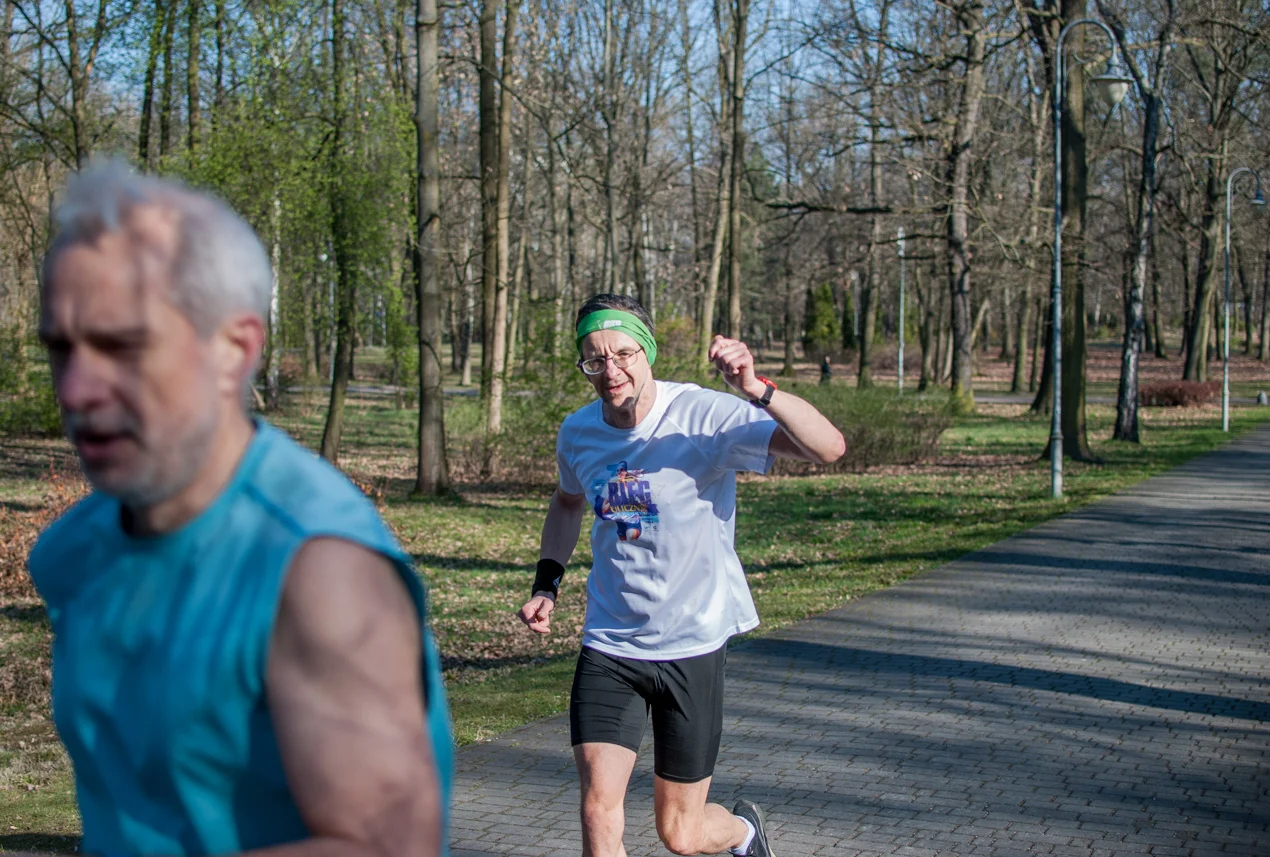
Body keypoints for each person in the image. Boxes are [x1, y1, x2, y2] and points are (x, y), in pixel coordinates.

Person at [23, 162, 453, 857]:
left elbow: (388, 846)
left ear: (235, 349)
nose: (76, 388)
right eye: (60, 348)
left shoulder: (319, 574)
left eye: (122, 345)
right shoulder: (72, 550)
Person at [518, 294, 846, 857]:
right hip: (611, 642)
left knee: (682, 834)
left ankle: (744, 834)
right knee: (599, 811)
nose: (610, 371)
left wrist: (756, 390)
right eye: (594, 360)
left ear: (647, 353)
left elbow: (829, 448)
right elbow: (568, 502)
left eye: (623, 354)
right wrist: (547, 582)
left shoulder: (701, 415)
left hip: (690, 644)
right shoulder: (578, 432)